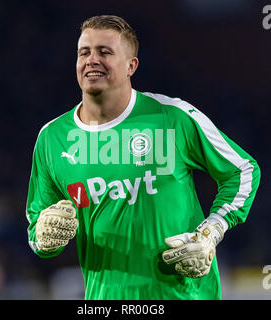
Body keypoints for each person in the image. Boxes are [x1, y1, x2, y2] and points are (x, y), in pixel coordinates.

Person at [26, 15, 260, 300]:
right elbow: (37, 224)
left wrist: (211, 231)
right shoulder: (52, 137)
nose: (91, 60)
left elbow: (243, 170)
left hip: (185, 295)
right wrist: (44, 238)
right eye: (83, 52)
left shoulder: (173, 116)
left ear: (131, 66)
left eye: (105, 52)